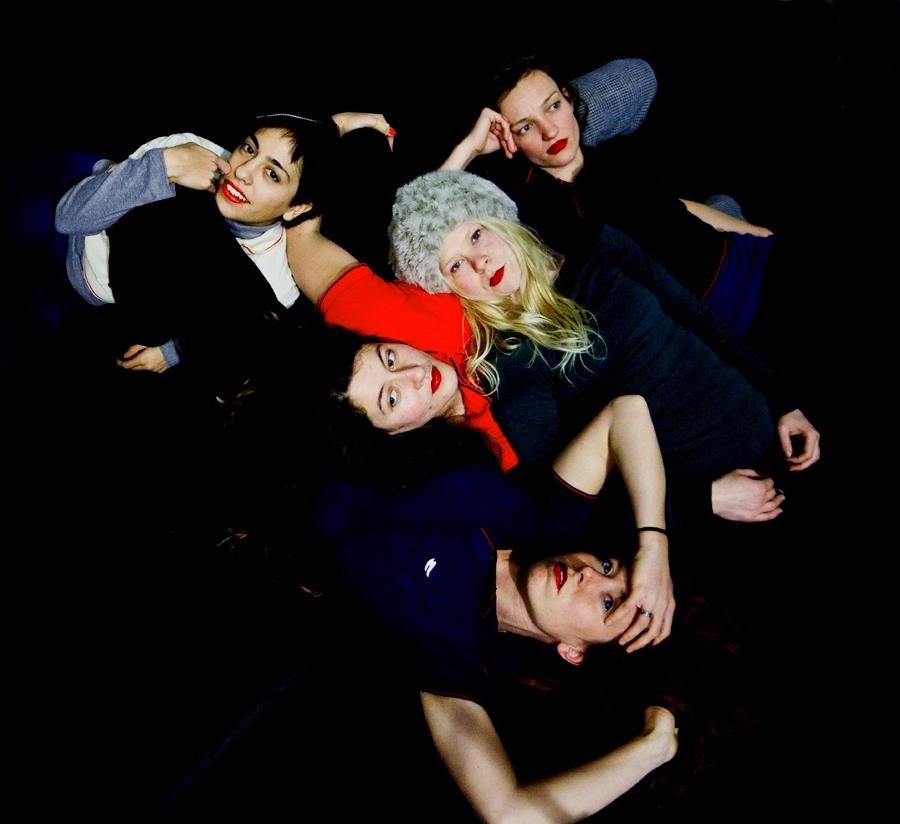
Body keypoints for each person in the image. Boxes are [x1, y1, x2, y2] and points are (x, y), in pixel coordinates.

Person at [287, 171, 819, 526]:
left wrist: (781, 399)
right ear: (447, 289)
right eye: (455, 265)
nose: (479, 262)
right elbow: (562, 501)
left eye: (476, 235)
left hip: (768, 418)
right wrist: (702, 500)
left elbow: (692, 315)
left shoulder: (596, 245)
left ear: (497, 219)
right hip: (726, 488)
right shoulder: (511, 364)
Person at [315, 389, 678, 822]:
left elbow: (510, 814)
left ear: (574, 651)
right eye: (607, 565)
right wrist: (654, 545)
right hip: (339, 409)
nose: (589, 575)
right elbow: (626, 411)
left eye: (607, 602)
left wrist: (653, 749)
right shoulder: (542, 524)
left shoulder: (454, 652)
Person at [441, 55, 777, 336]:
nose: (550, 131)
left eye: (554, 106)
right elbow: (431, 227)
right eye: (526, 127)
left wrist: (753, 233)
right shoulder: (522, 206)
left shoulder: (613, 154)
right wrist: (470, 148)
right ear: (509, 139)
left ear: (569, 99)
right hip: (708, 318)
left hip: (742, 257)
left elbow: (675, 207)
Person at [54, 111, 393, 381]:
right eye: (249, 148)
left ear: (296, 208)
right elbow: (69, 217)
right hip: (78, 213)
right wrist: (166, 166)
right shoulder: (189, 152)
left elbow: (233, 336)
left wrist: (174, 351)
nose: (242, 171)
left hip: (94, 294)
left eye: (272, 174)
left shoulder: (276, 280)